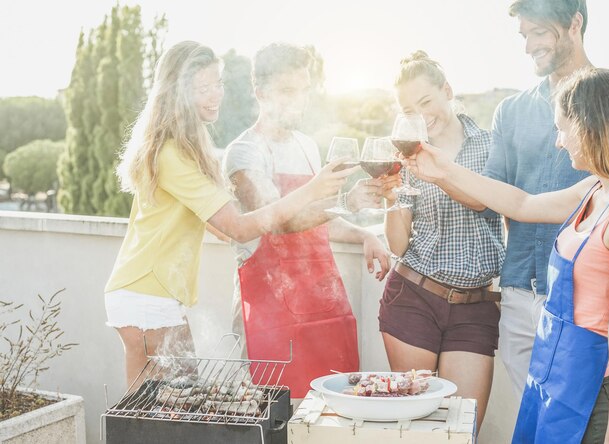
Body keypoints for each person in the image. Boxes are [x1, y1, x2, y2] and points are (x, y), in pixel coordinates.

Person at [103, 41, 354, 390]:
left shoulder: (188, 145)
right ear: (176, 93)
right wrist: (313, 190)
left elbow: (225, 227)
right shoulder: (173, 154)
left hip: (150, 292)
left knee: (157, 410)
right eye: (202, 88)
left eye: (217, 83)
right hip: (147, 293)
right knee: (171, 407)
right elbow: (237, 228)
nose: (215, 95)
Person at [407, 66, 609, 444]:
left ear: (589, 125)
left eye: (562, 128)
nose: (559, 142)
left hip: (596, 391)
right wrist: (445, 169)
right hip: (555, 375)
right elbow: (522, 203)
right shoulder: (594, 188)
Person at [423, 0, 591, 399]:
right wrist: (433, 170)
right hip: (518, 290)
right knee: (531, 413)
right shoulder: (511, 111)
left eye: (538, 33)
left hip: (582, 293)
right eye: (523, 35)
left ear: (575, 24)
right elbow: (489, 197)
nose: (528, 46)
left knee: (577, 420)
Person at [222, 42, 392, 399]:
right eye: (286, 91)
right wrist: (345, 200)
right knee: (274, 419)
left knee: (330, 418)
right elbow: (274, 220)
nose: (297, 101)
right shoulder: (244, 151)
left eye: (302, 91)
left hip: (322, 310)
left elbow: (320, 222)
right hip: (269, 315)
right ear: (260, 92)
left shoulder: (306, 146)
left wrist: (362, 233)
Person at [379, 51, 505, 430]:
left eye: (426, 101)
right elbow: (399, 246)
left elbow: (486, 202)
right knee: (417, 429)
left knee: (462, 429)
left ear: (447, 91)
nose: (421, 114)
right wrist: (391, 198)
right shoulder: (406, 154)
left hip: (475, 306)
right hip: (414, 297)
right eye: (408, 109)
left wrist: (437, 174)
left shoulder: (491, 145)